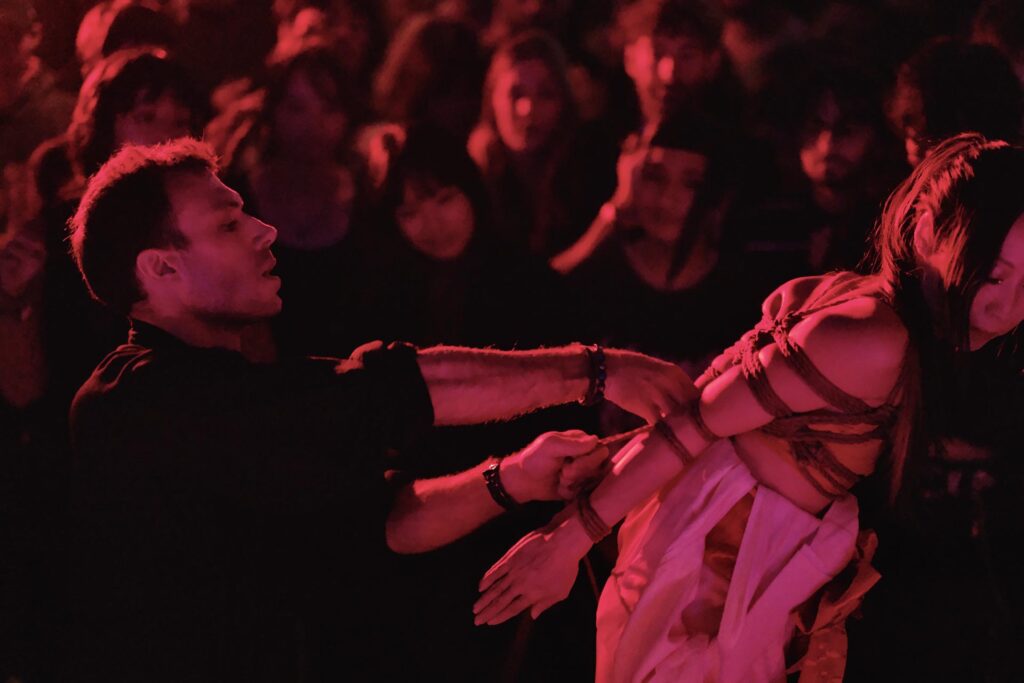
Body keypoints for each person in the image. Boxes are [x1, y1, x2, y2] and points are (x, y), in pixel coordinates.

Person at [64, 137, 688, 682]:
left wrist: (513, 476)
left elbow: (382, 520)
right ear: (163, 267)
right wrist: (595, 371)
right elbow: (400, 389)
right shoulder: (134, 406)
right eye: (229, 225)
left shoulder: (235, 387)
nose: (264, 229)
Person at [474, 132, 1024, 682]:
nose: (1011, 307)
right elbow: (694, 424)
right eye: (996, 276)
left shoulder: (882, 319)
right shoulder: (876, 339)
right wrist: (568, 539)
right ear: (927, 234)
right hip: (716, 576)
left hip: (741, 569)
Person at [469, 29, 617, 258]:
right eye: (515, 94)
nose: (528, 109)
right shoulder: (471, 177)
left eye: (546, 94)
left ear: (563, 103)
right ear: (492, 100)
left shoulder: (590, 169)